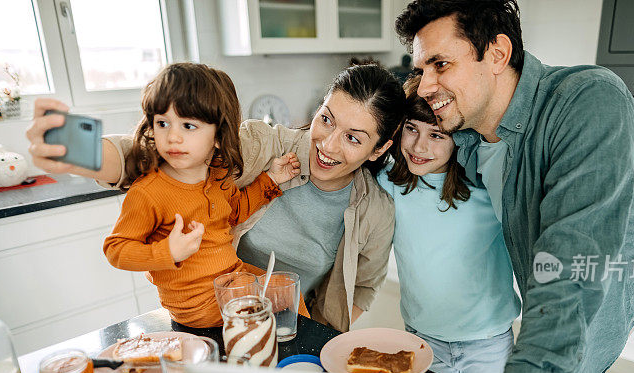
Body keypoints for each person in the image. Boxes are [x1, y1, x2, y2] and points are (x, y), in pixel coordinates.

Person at [395, 1, 634, 373]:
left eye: (441, 65)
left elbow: (571, 260)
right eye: (419, 68)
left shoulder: (589, 100)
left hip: (615, 269)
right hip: (553, 267)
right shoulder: (470, 131)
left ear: (497, 53)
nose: (425, 84)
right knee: (566, 357)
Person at [26, 64, 404, 332]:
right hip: (208, 318)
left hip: (288, 329)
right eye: (326, 119)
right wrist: (73, 147)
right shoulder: (263, 145)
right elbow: (147, 154)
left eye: (354, 138)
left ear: (378, 149)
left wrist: (312, 336)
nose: (327, 145)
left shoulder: (375, 210)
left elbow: (365, 288)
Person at [102, 63, 300, 329]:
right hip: (198, 305)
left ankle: (295, 364)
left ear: (218, 136)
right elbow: (116, 250)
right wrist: (167, 251)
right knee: (275, 314)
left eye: (188, 126)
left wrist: (272, 180)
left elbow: (235, 212)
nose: (173, 136)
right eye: (163, 123)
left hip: (231, 278)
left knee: (288, 291)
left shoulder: (217, 175)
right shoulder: (148, 192)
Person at [376, 76, 519, 373]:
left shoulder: (487, 184)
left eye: (437, 135)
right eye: (411, 128)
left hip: (488, 342)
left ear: (460, 139)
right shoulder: (387, 182)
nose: (419, 146)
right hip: (423, 339)